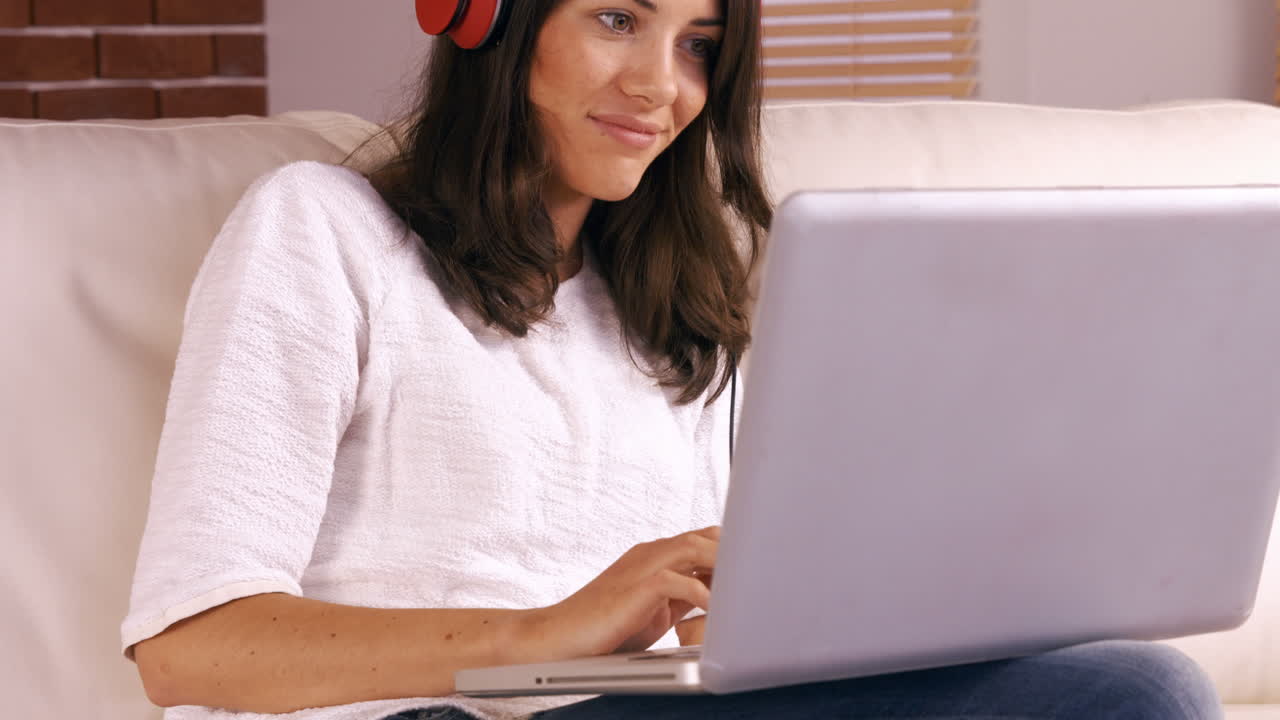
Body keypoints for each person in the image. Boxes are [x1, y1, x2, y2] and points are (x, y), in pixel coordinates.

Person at [121, 1, 1224, 718]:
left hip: (658, 708)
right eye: (616, 19)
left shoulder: (679, 307)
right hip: (439, 716)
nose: (662, 86)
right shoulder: (321, 230)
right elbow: (191, 646)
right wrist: (544, 634)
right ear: (485, 22)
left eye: (697, 45)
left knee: (1131, 686)